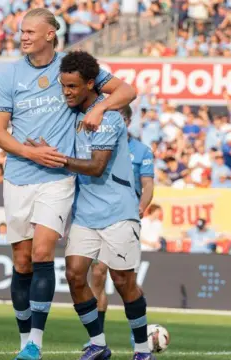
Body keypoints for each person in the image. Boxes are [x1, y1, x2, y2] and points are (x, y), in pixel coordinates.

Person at [0, 8, 136, 360]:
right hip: (19, 176)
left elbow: (127, 91)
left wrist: (99, 109)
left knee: (42, 254)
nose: (23, 37)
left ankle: (35, 344)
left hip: (57, 178)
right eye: (22, 31)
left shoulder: (71, 68)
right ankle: (25, 338)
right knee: (22, 261)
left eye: (29, 32)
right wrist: (29, 152)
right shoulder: (10, 75)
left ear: (50, 35)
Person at [25, 51, 152, 360]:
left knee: (124, 282)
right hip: (85, 213)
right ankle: (98, 343)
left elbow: (96, 167)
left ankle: (143, 349)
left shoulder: (108, 117)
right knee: (75, 274)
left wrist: (54, 158)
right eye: (63, 86)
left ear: (90, 84)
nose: (66, 92)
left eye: (72, 87)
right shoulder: (72, 115)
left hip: (119, 212)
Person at [86, 104, 155, 346]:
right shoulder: (96, 145)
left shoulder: (141, 151)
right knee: (97, 273)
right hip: (99, 217)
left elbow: (147, 185)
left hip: (126, 217)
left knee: (125, 281)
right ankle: (97, 338)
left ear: (126, 121)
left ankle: (138, 330)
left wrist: (141, 206)